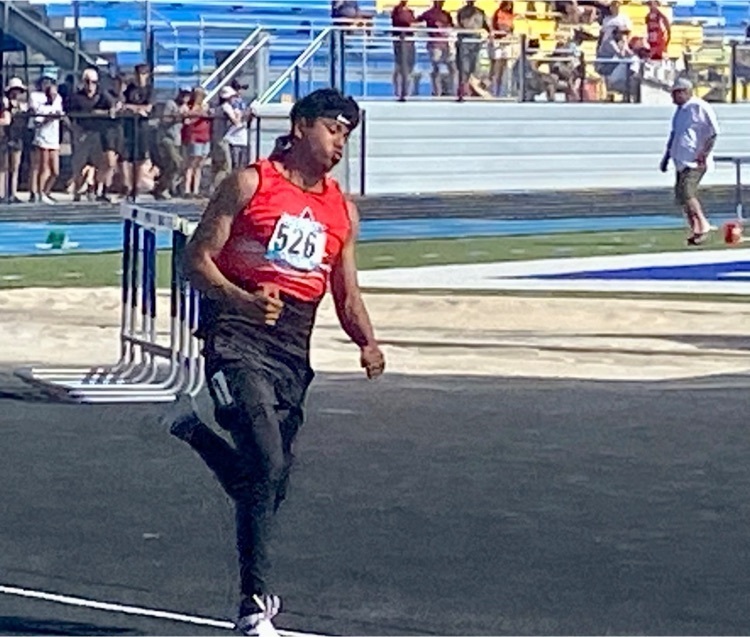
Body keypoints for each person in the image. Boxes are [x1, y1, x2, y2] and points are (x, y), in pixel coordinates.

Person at [168, 88, 385, 637]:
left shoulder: (341, 210)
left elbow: (346, 290)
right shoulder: (249, 184)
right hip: (235, 335)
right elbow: (196, 260)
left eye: (347, 135)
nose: (340, 144)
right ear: (301, 125)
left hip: (292, 348)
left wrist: (367, 341)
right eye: (333, 130)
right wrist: (241, 299)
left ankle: (192, 430)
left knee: (271, 482)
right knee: (264, 463)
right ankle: (253, 605)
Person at [660, 77, 719, 246]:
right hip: (681, 160)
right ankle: (696, 230)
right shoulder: (679, 112)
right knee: (682, 197)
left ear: (685, 92)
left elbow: (713, 132)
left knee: (687, 192)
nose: (672, 97)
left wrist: (703, 153)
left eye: (675, 93)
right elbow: (675, 135)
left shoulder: (699, 107)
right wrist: (666, 157)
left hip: (695, 161)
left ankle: (703, 225)